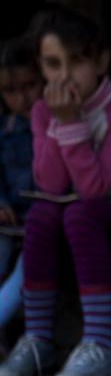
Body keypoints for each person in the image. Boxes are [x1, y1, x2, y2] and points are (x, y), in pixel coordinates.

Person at [0, 5, 111, 376]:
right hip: (68, 221)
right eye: (53, 64)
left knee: (81, 211)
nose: (64, 75)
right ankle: (38, 339)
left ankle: (100, 342)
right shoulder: (41, 111)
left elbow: (94, 187)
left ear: (101, 61)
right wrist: (56, 119)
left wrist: (68, 122)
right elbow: (49, 185)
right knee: (41, 213)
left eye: (77, 61)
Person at [0, 35, 45, 355]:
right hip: (9, 219)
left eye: (30, 85)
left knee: (27, 268)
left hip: (44, 223)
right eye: (10, 91)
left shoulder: (60, 124)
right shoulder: (5, 129)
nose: (23, 98)